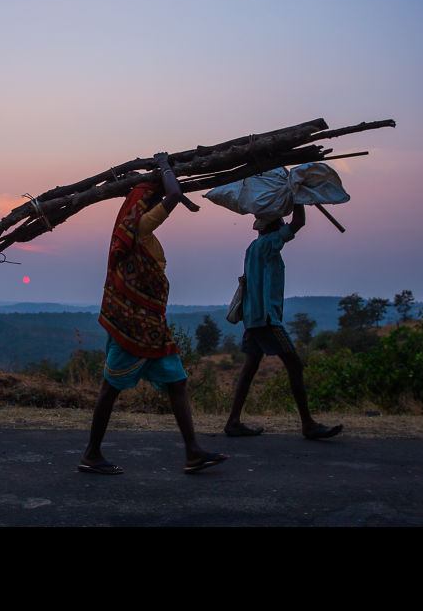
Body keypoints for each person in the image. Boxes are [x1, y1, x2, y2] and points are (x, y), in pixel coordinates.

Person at [79, 153, 228, 475]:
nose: (161, 200)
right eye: (154, 197)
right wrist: (164, 166)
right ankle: (91, 454)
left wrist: (164, 173)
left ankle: (193, 451)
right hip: (133, 327)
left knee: (177, 382)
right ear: (145, 202)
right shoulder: (143, 226)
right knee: (110, 388)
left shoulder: (138, 229)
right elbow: (174, 194)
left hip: (151, 326)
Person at [224, 203, 343, 440]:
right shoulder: (268, 244)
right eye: (279, 221)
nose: (283, 224)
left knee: (249, 369)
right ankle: (308, 424)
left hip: (253, 319)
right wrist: (298, 195)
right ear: (274, 226)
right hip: (267, 320)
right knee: (295, 365)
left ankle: (233, 422)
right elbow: (298, 223)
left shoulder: (253, 247)